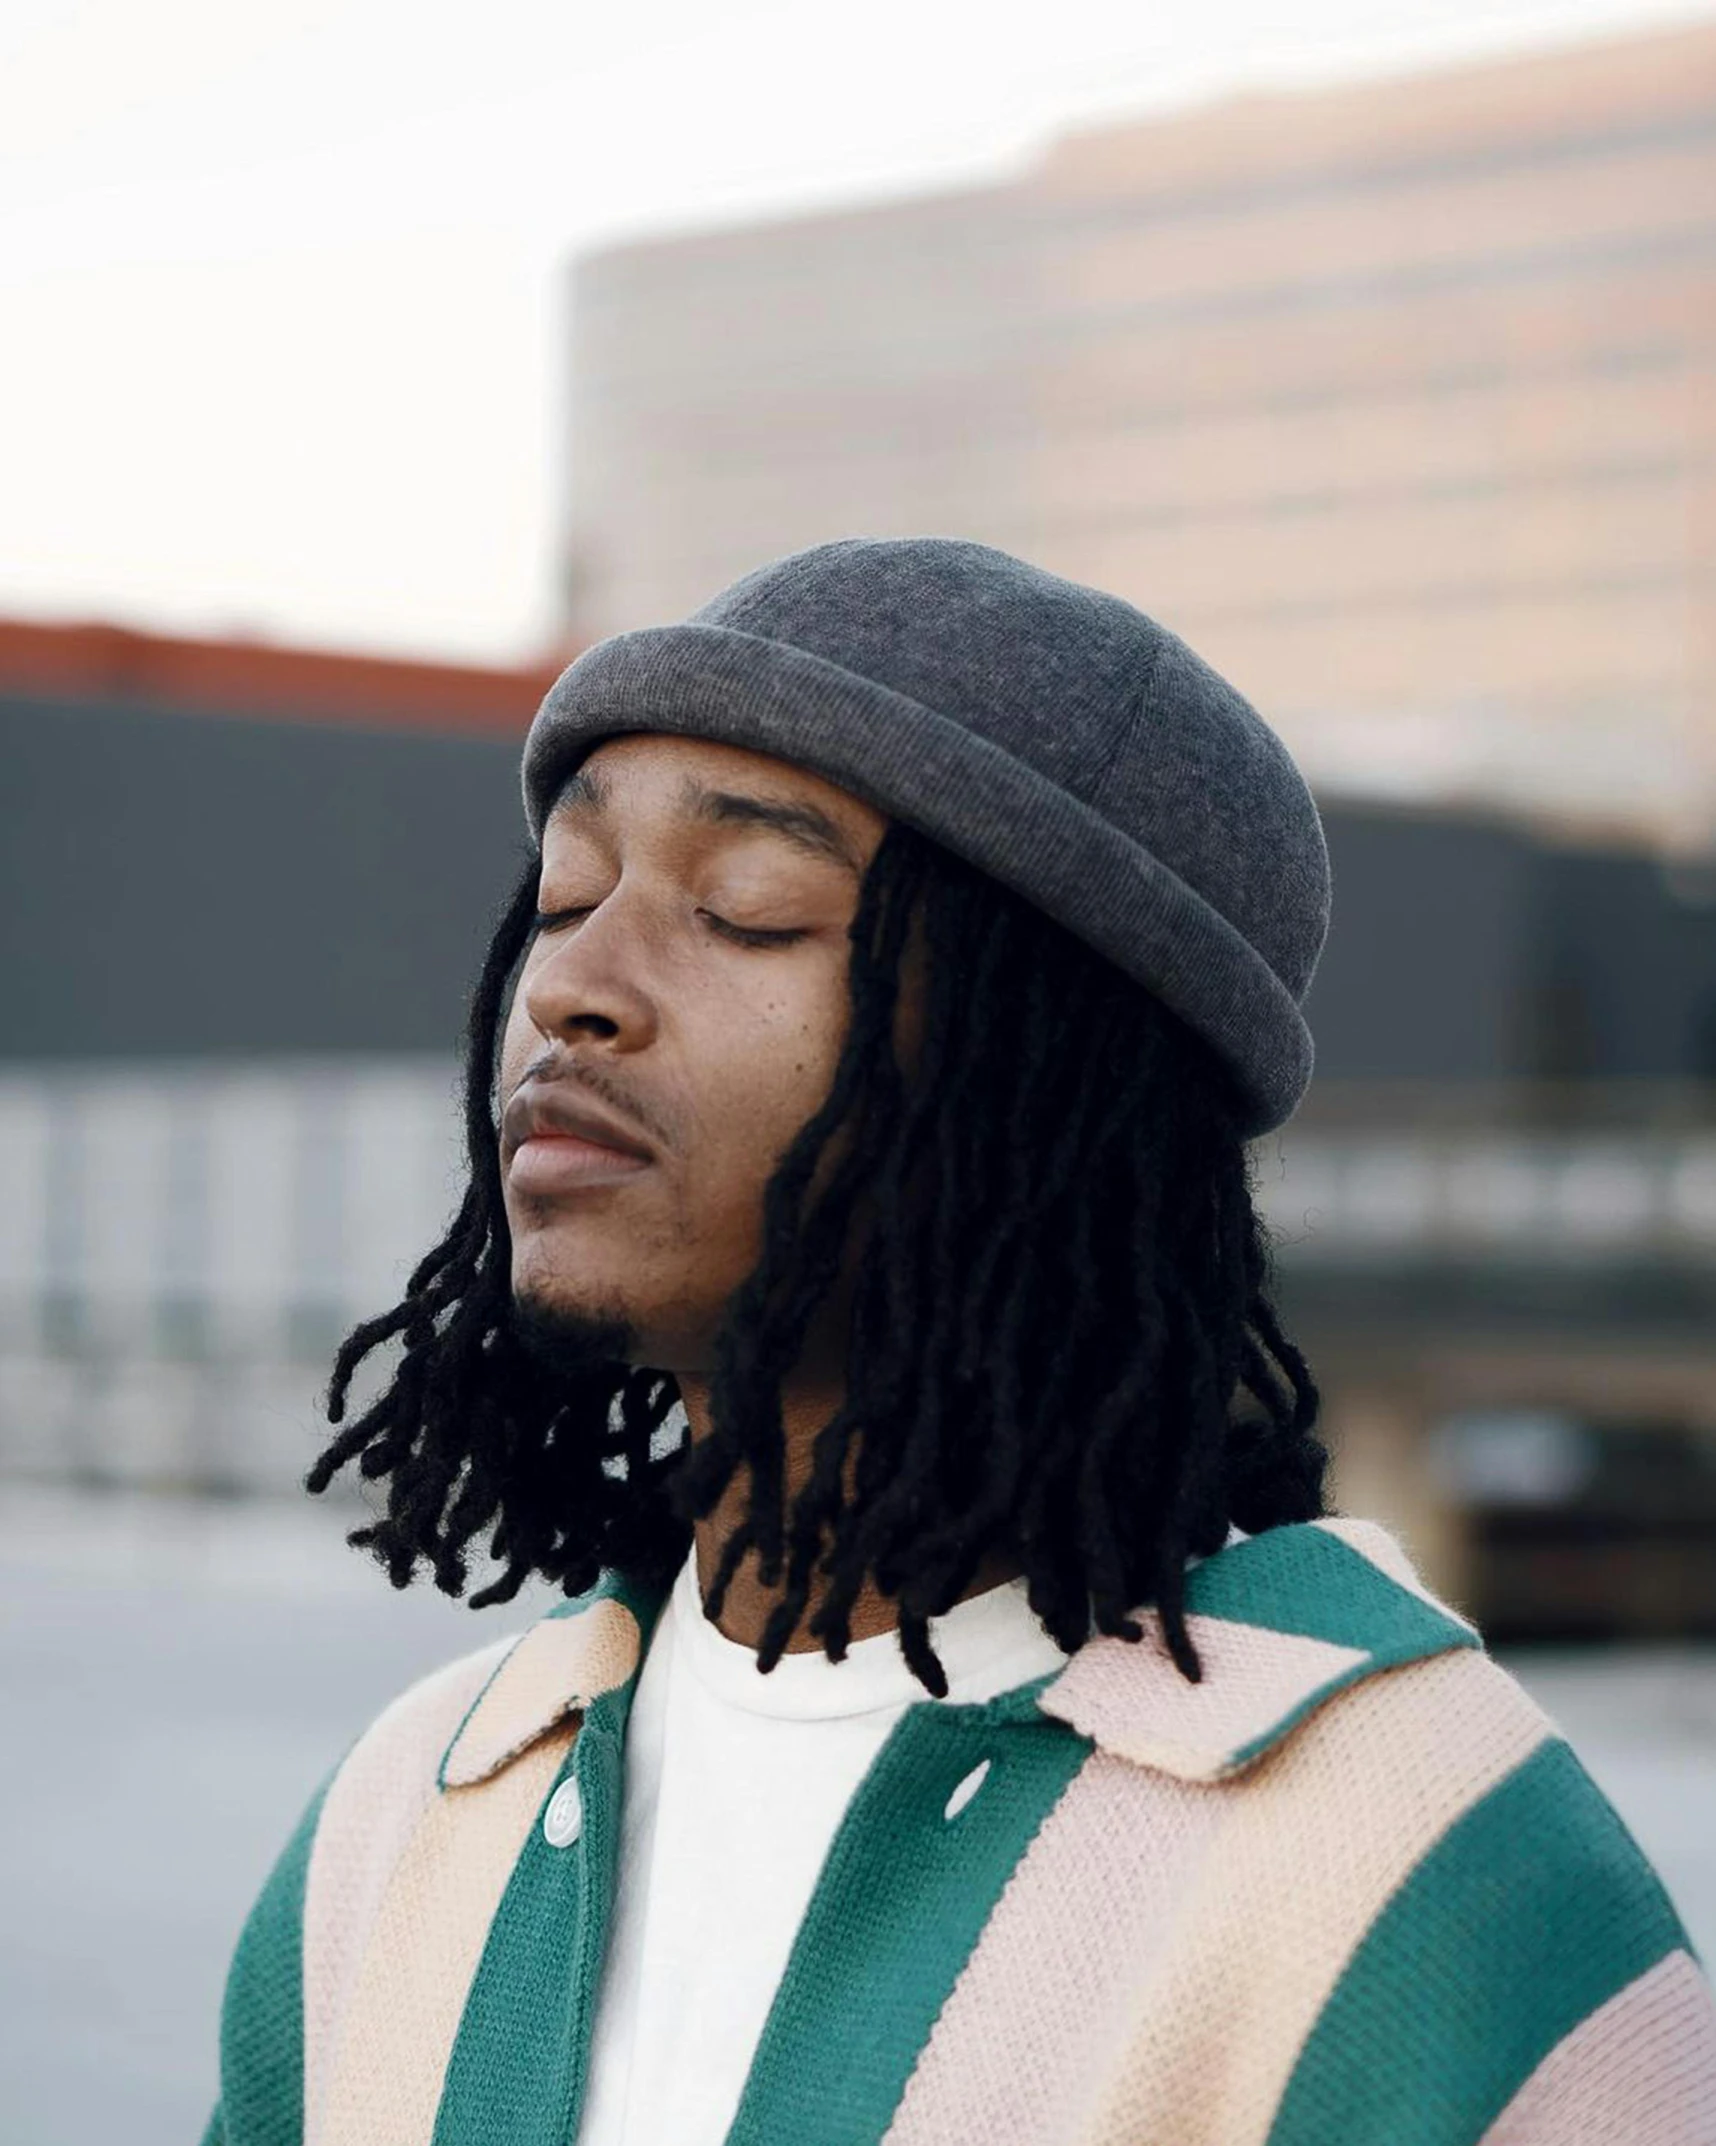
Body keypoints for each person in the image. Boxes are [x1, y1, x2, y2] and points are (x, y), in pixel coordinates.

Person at [204, 538, 1716, 2146]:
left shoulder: (1432, 1882)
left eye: (743, 909)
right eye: (570, 895)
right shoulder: (411, 1813)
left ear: (1057, 1072)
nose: (571, 980)